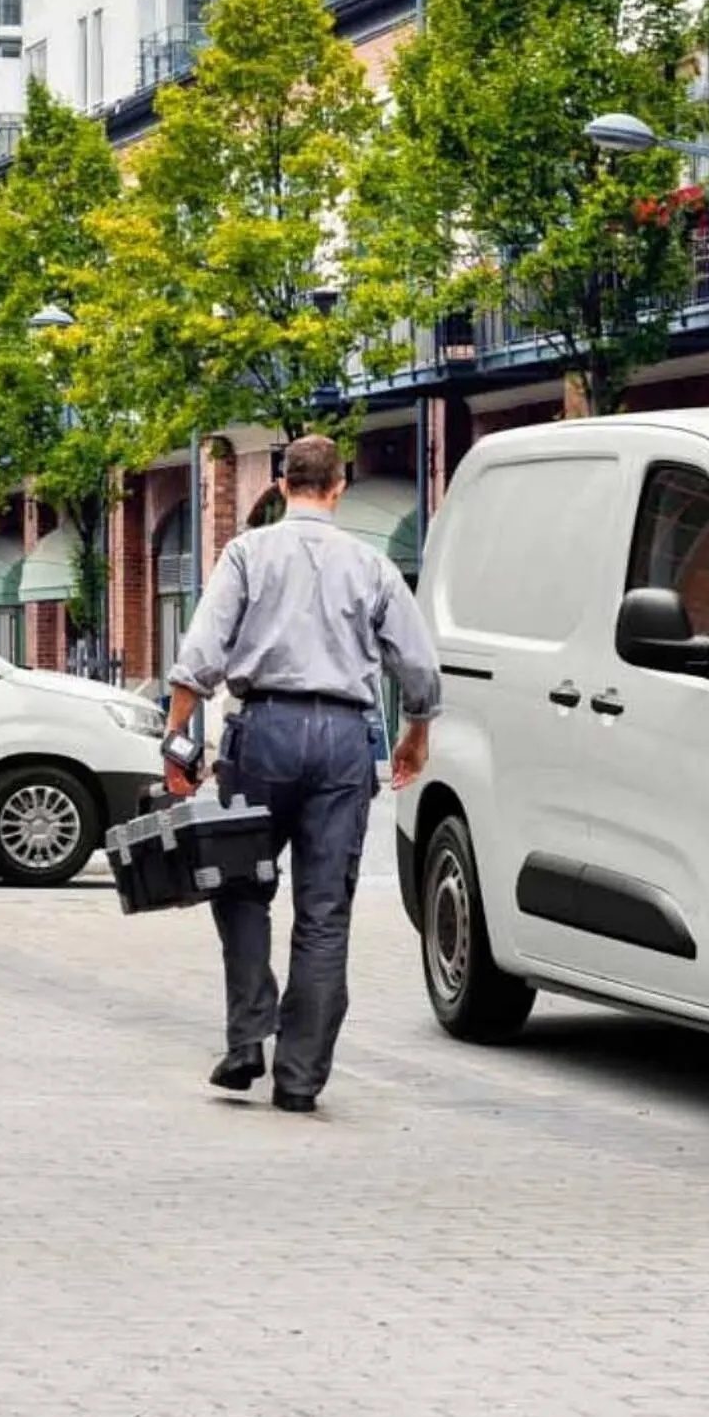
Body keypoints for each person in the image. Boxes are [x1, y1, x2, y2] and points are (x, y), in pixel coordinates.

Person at [161, 434, 442, 1115]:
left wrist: (175, 741)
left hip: (262, 734)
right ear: (338, 488)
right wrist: (417, 731)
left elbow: (200, 652)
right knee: (323, 912)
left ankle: (248, 1036)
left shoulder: (248, 554)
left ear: (284, 485)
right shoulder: (371, 566)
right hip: (345, 740)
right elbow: (419, 665)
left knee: (239, 883)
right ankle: (300, 1078)